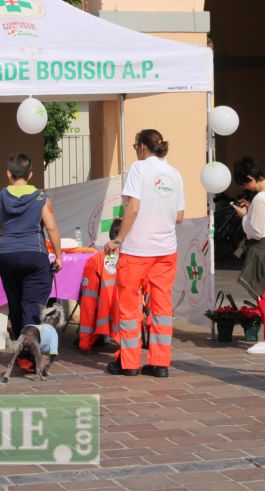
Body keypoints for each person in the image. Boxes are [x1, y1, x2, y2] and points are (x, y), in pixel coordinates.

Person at [104, 129, 184, 378]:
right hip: (166, 250)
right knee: (161, 307)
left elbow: (133, 207)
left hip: (138, 250)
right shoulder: (175, 173)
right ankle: (160, 363)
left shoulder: (138, 169)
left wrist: (118, 239)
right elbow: (179, 216)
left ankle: (129, 363)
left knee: (129, 307)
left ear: (141, 147)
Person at [0, 153, 63, 371]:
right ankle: (29, 356)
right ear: (30, 174)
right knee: (32, 306)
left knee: (15, 305)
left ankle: (22, 353)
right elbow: (51, 227)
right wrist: (58, 255)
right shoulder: (40, 198)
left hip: (8, 257)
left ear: (8, 174)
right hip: (34, 256)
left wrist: (9, 243)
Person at [232, 156, 265, 355]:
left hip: (262, 248)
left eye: (245, 183)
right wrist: (251, 208)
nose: (245, 187)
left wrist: (244, 216)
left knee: (263, 295)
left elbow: (256, 231)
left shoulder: (261, 199)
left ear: (249, 177)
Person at [77, 219, 122, 351]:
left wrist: (85, 341)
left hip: (105, 316)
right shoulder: (137, 260)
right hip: (127, 330)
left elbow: (88, 302)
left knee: (87, 298)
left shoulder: (96, 259)